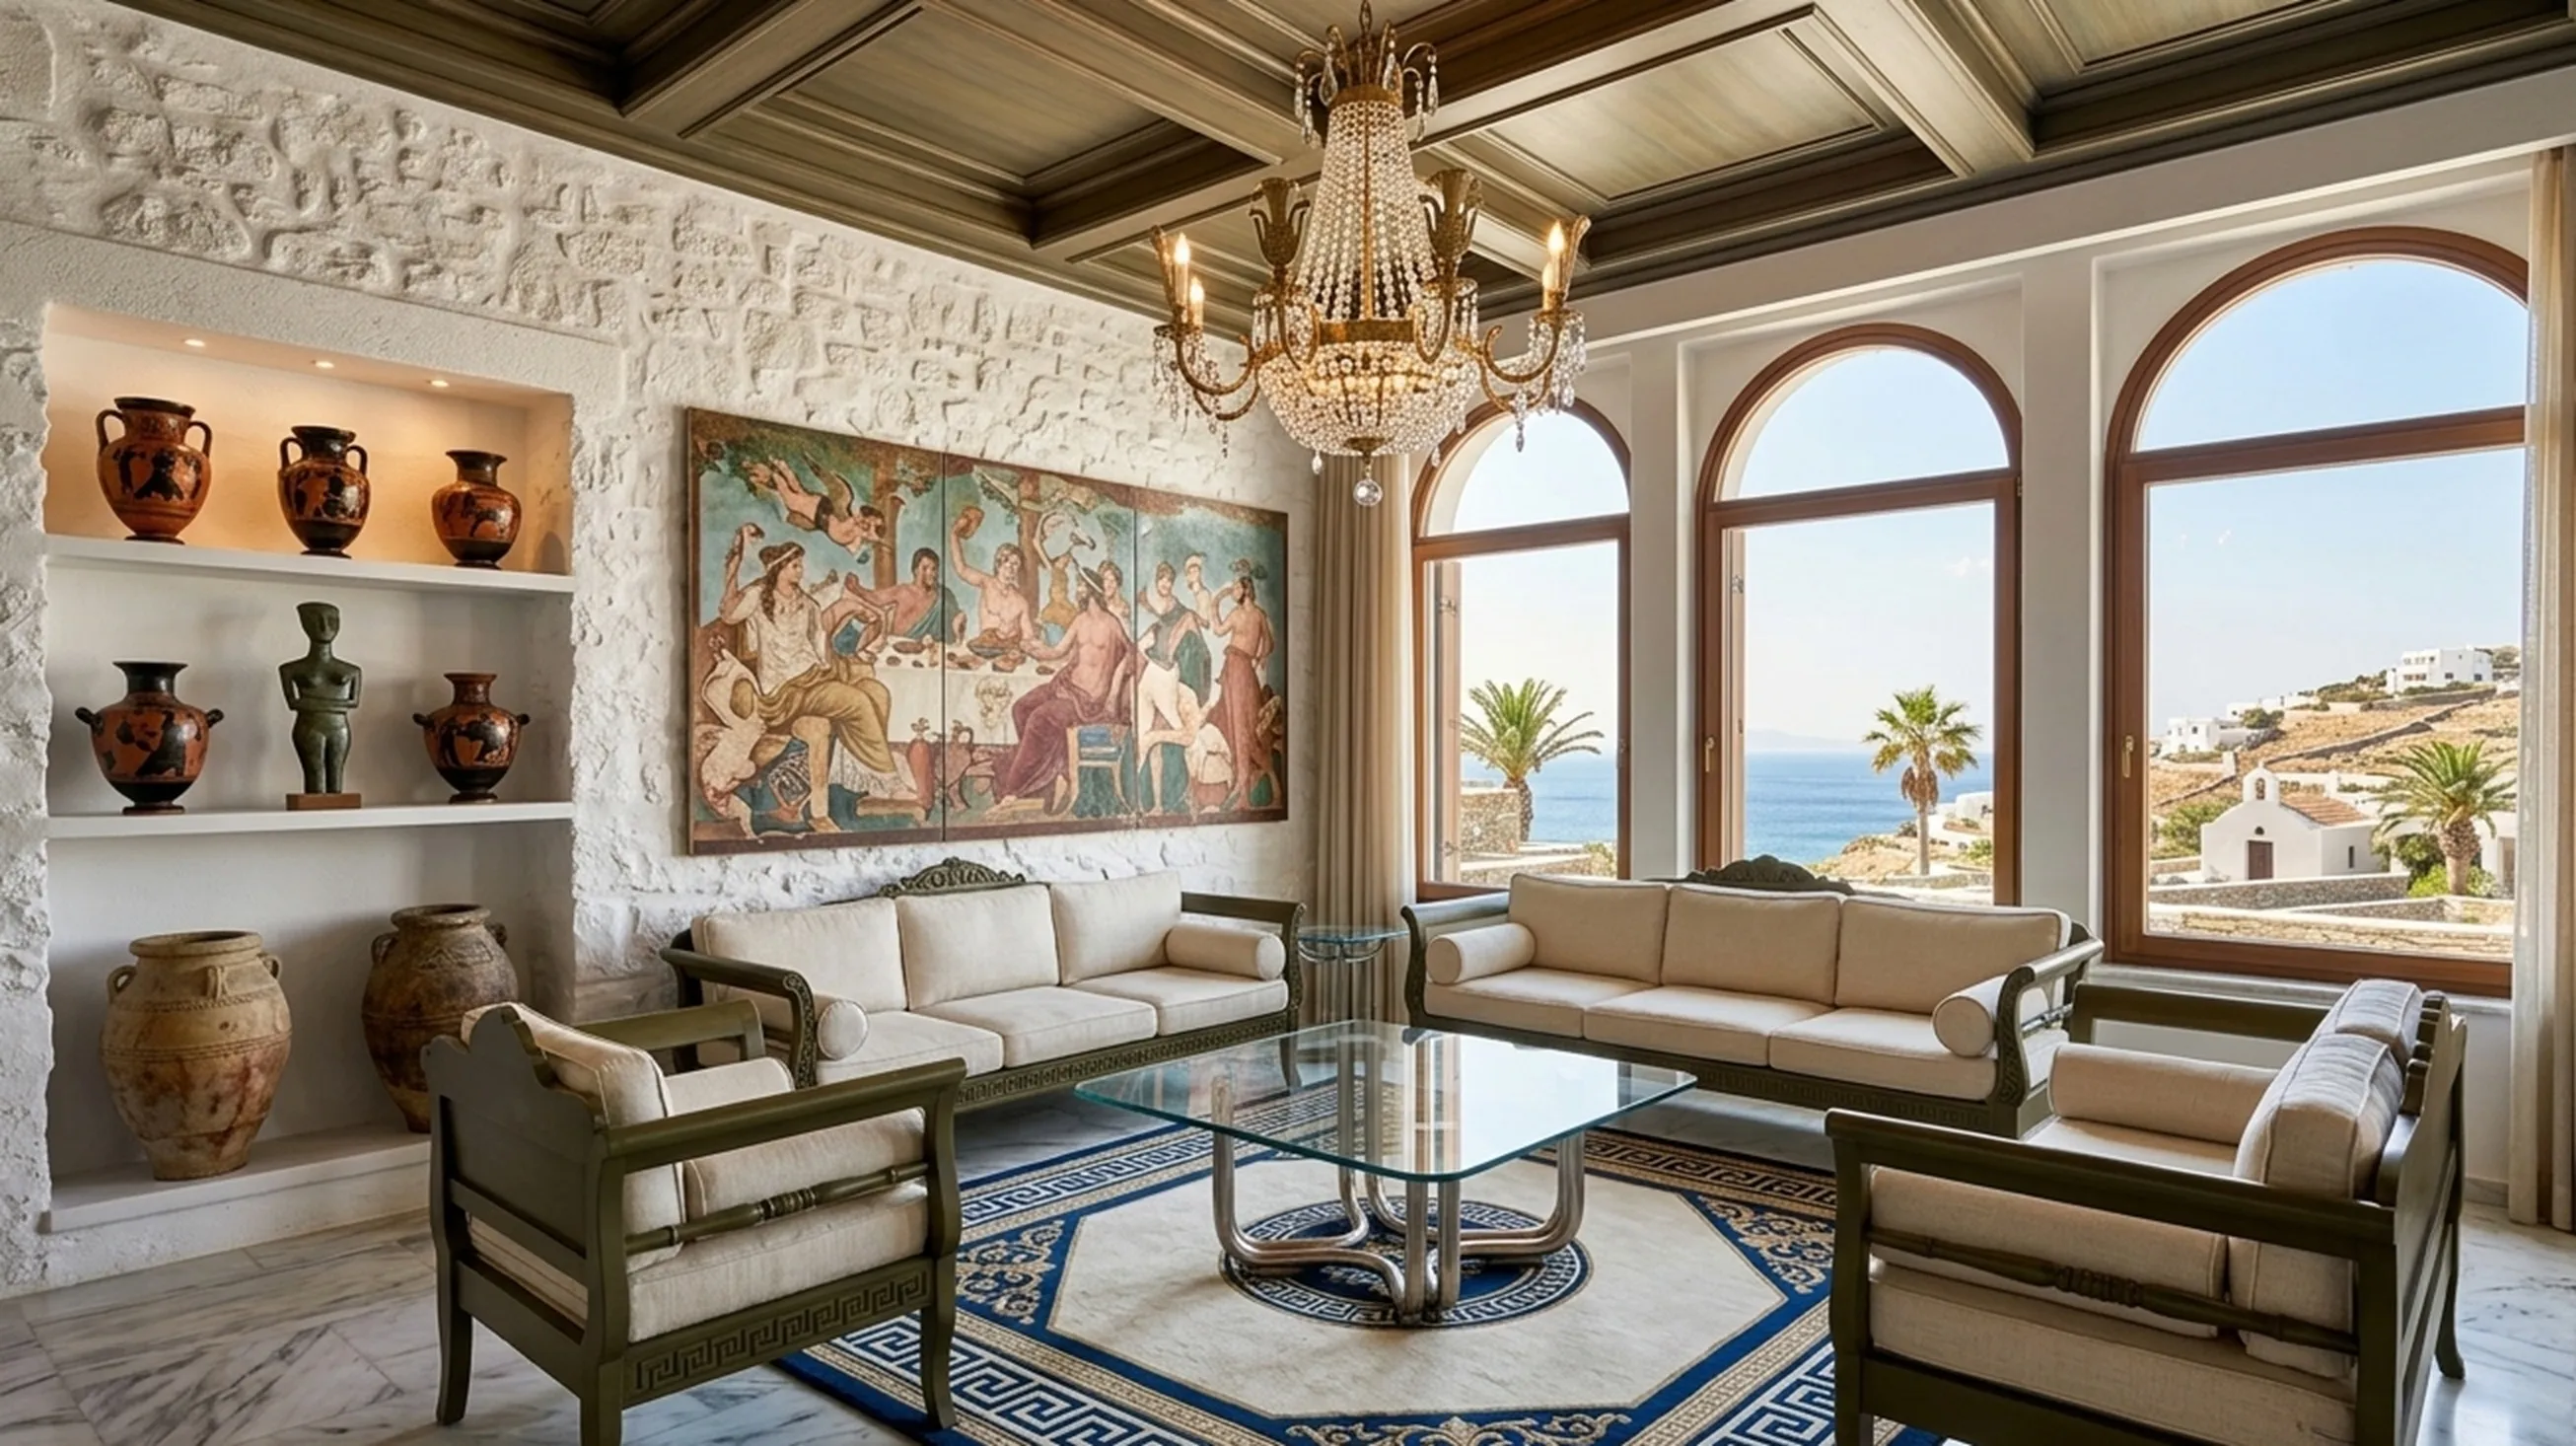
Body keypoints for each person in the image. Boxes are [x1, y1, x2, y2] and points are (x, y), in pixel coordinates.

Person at [715, 527, 900, 831]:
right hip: (783, 692)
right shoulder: (757, 596)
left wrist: (845, 661)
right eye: (795, 565)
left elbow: (820, 649)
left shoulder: (807, 604)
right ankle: (888, 777)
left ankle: (859, 778)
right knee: (855, 701)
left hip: (813, 679)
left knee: (875, 691)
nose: (801, 571)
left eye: (800, 565)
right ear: (779, 569)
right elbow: (729, 614)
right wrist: (732, 570)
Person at [991, 566, 1139, 810]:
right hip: (1066, 684)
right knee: (1021, 707)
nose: (1077, 589)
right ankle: (1050, 771)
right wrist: (1034, 648)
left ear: (1091, 591)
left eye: (1080, 585)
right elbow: (1058, 651)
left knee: (1039, 719)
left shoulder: (1112, 624)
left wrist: (1113, 689)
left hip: (1087, 702)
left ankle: (1013, 790)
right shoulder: (1079, 620)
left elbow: (1131, 653)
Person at [1208, 572, 1275, 808]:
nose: (1233, 592)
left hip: (1240, 670)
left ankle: (1243, 787)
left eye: (1236, 588)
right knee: (1238, 726)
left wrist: (1216, 602)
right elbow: (1268, 642)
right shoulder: (1258, 615)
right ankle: (1240, 784)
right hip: (1237, 669)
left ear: (1246, 589)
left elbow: (1218, 630)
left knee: (1242, 727)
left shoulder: (1244, 615)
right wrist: (1259, 657)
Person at [744, 457, 887, 559]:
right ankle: (771, 471)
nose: (865, 525)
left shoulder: (850, 535)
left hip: (817, 509)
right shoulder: (851, 533)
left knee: (792, 488)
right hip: (817, 508)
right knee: (790, 492)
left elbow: (860, 527)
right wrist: (869, 529)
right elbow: (856, 521)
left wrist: (870, 532)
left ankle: (775, 467)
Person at [950, 517, 1043, 648]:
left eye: (1015, 564)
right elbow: (961, 569)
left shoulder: (1021, 602)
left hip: (1009, 650)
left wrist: (1031, 643)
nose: (1010, 567)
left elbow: (1028, 636)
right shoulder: (986, 583)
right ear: (998, 563)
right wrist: (954, 534)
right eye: (1007, 561)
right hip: (985, 648)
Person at [845, 546, 964, 642]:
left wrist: (959, 621)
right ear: (916, 570)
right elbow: (876, 598)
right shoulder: (903, 591)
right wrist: (857, 588)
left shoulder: (944, 595)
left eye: (934, 569)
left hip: (931, 648)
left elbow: (956, 620)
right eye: (925, 568)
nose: (931, 573)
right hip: (898, 644)